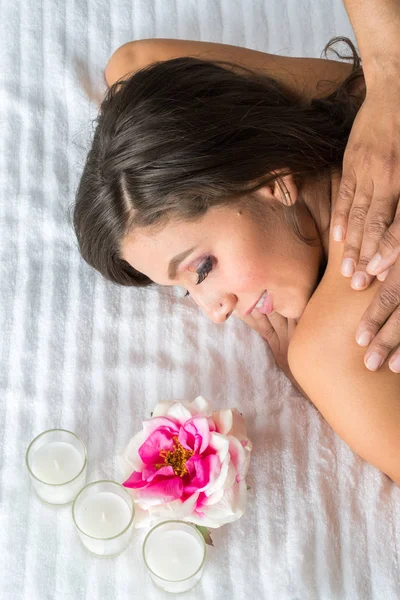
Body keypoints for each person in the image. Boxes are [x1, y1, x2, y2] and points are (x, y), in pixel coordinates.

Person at [73, 34, 400, 486]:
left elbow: (133, 66)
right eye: (190, 290)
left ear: (274, 180)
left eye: (203, 268)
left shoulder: (325, 351)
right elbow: (131, 63)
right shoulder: (359, 96)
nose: (218, 312)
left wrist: (316, 384)